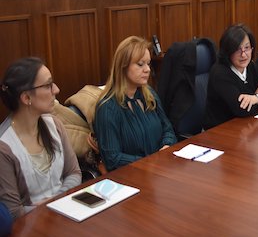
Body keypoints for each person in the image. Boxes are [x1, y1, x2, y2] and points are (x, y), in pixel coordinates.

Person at [0, 57, 81, 219]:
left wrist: (53, 201)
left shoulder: (54, 125)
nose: (56, 90)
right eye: (48, 85)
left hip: (65, 213)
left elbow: (74, 173)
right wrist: (53, 205)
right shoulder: (4, 146)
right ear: (26, 98)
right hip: (30, 226)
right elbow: (14, 212)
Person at [94, 36, 176, 171]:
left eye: (148, 63)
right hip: (131, 177)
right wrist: (150, 162)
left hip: (159, 170)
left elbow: (168, 129)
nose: (148, 69)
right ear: (123, 66)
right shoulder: (108, 108)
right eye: (140, 64)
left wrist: (166, 146)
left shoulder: (149, 94)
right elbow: (112, 159)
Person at [203, 24, 258, 130]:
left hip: (245, 127)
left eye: (247, 48)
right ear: (228, 51)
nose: (244, 55)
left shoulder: (250, 66)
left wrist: (255, 99)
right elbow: (241, 110)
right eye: (238, 49)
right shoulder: (219, 73)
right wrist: (257, 95)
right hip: (219, 131)